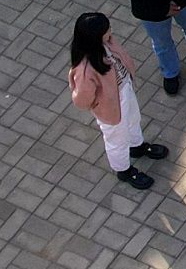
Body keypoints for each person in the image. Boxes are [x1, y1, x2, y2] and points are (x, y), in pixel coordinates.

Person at [69, 12, 169, 192]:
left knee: (133, 120)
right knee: (117, 140)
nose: (110, 31)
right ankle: (123, 170)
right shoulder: (85, 69)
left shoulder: (106, 44)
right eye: (107, 30)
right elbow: (82, 100)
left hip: (124, 91)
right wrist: (99, 105)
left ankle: (137, 146)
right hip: (109, 108)